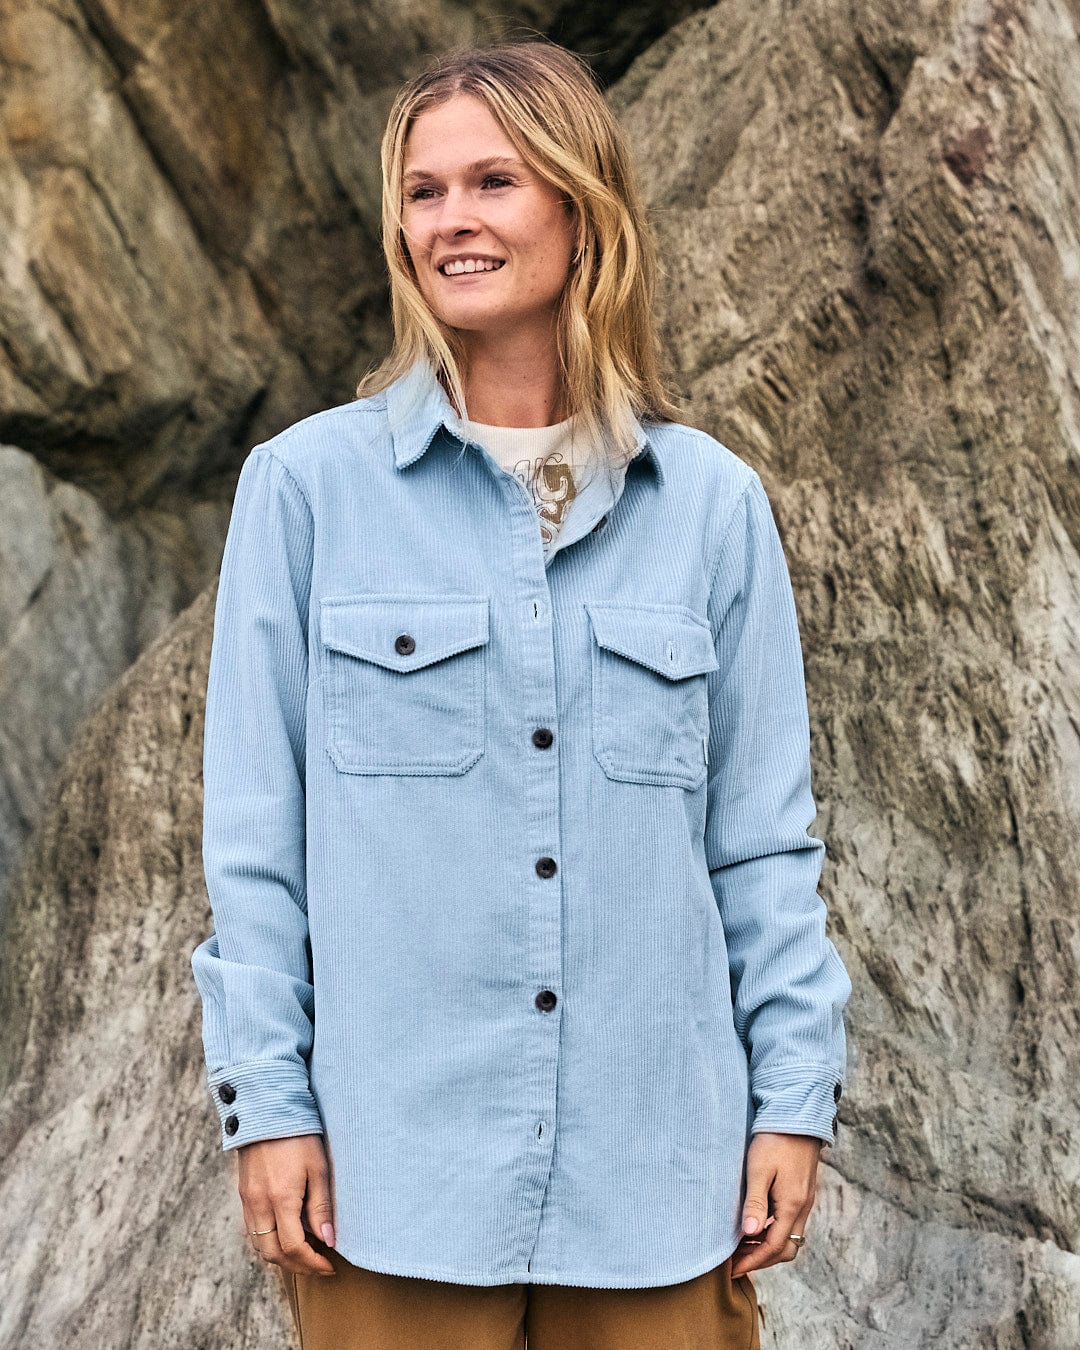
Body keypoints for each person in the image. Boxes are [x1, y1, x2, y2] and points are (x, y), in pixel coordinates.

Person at [190, 36, 852, 1350]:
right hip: (392, 1182)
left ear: (578, 206)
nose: (453, 221)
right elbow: (256, 846)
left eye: (493, 181)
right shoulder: (305, 491)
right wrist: (269, 1105)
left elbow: (764, 842)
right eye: (424, 192)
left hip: (660, 1174)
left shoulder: (712, 507)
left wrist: (793, 1097)